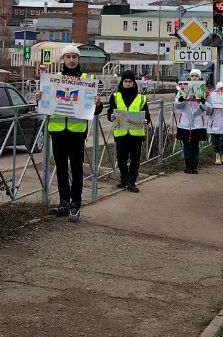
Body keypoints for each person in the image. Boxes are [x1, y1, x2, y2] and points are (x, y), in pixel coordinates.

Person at [36, 44, 92, 221]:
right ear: (63, 60)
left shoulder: (87, 79)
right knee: (60, 169)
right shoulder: (53, 80)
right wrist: (39, 98)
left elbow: (94, 111)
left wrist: (97, 104)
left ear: (78, 59)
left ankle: (75, 204)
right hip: (58, 131)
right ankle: (64, 202)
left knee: (76, 170)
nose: (71, 60)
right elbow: (44, 106)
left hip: (77, 132)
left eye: (74, 57)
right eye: (68, 57)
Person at [103, 71, 149, 191]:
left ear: (133, 83)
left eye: (130, 81)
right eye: (125, 81)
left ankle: (132, 182)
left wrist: (145, 121)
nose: (127, 83)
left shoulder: (141, 98)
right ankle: (124, 180)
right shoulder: (116, 96)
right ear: (122, 82)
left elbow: (147, 116)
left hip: (136, 134)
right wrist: (111, 116)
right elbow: (110, 113)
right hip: (121, 133)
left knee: (135, 160)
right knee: (121, 159)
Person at [173, 68, 208, 173]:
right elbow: (177, 105)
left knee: (195, 144)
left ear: (200, 78)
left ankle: (194, 166)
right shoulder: (183, 88)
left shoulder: (205, 90)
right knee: (186, 144)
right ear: (189, 77)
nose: (194, 78)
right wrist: (180, 100)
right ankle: (187, 166)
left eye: (196, 76)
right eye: (192, 76)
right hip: (185, 122)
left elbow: (209, 108)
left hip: (197, 122)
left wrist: (203, 102)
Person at [206, 81, 223, 165]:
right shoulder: (212, 98)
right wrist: (210, 108)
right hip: (215, 123)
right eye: (220, 89)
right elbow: (208, 112)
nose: (221, 91)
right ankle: (217, 156)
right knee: (215, 141)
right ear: (217, 90)